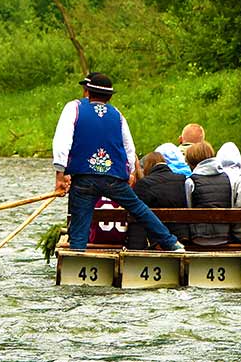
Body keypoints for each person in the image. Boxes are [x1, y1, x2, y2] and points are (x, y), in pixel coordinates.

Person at [52, 72, 183, 252]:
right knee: (139, 209)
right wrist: (129, 174)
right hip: (114, 178)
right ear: (110, 97)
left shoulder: (74, 108)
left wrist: (60, 174)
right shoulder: (118, 115)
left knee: (80, 223)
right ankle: (172, 243)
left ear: (87, 91)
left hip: (84, 178)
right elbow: (129, 148)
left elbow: (62, 141)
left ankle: (77, 255)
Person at [126, 148, 189, 250]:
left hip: (156, 240)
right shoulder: (181, 179)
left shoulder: (144, 184)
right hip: (182, 236)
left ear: (147, 166)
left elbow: (137, 215)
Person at [184, 141, 231, 246]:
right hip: (225, 236)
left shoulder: (191, 181)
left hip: (199, 237)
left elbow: (189, 209)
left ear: (192, 162)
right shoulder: (227, 178)